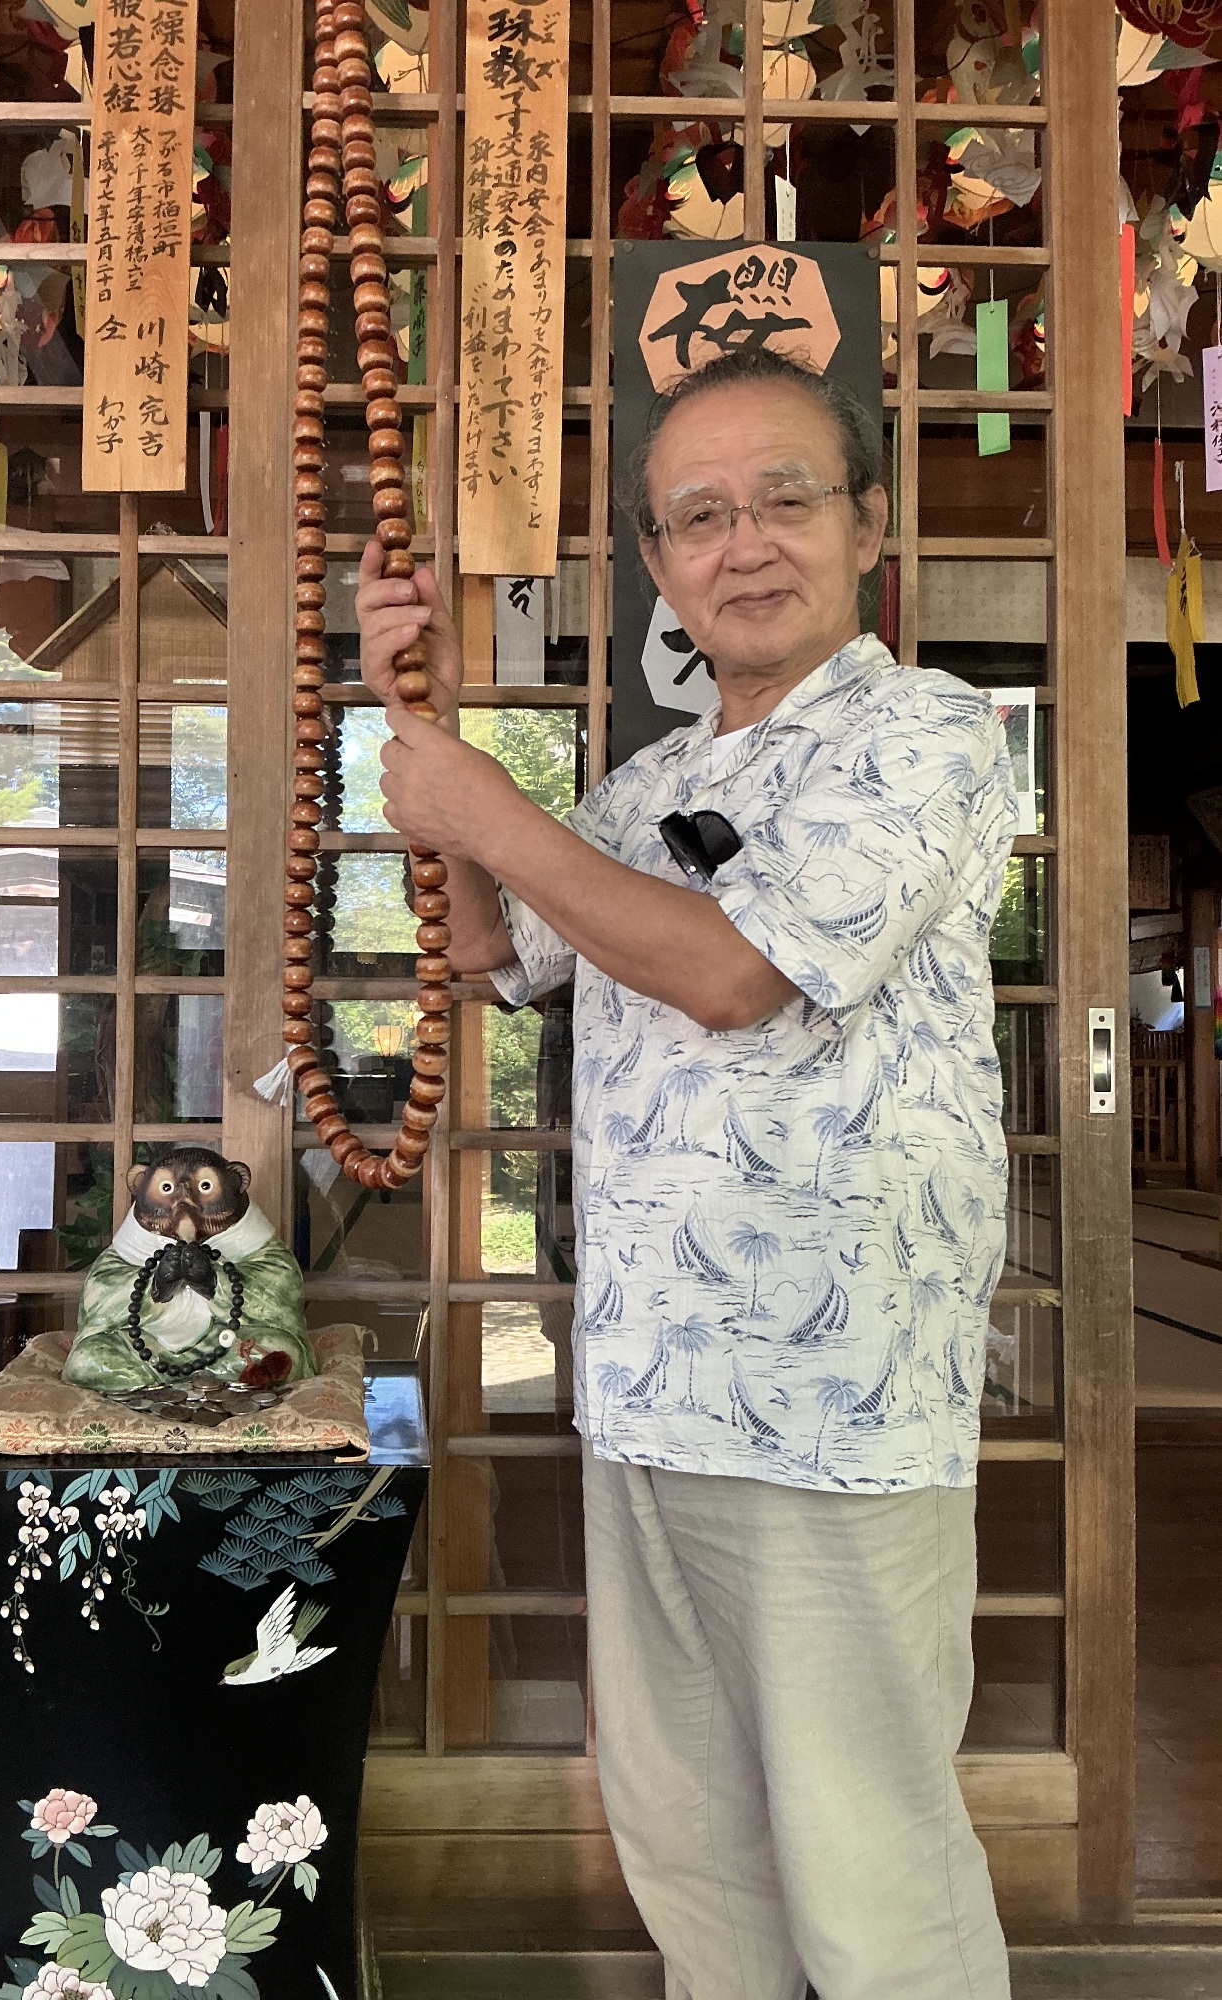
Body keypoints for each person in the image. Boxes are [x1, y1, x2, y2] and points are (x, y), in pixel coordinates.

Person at [357, 345, 1019, 2000]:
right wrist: (414, 718)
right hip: (649, 1389)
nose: (746, 543)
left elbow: (733, 974)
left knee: (874, 1868)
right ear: (654, 565)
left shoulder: (929, 737)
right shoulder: (652, 786)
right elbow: (505, 958)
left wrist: (488, 809)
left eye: (786, 497)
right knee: (692, 1850)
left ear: (869, 525)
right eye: (699, 515)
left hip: (837, 1409)